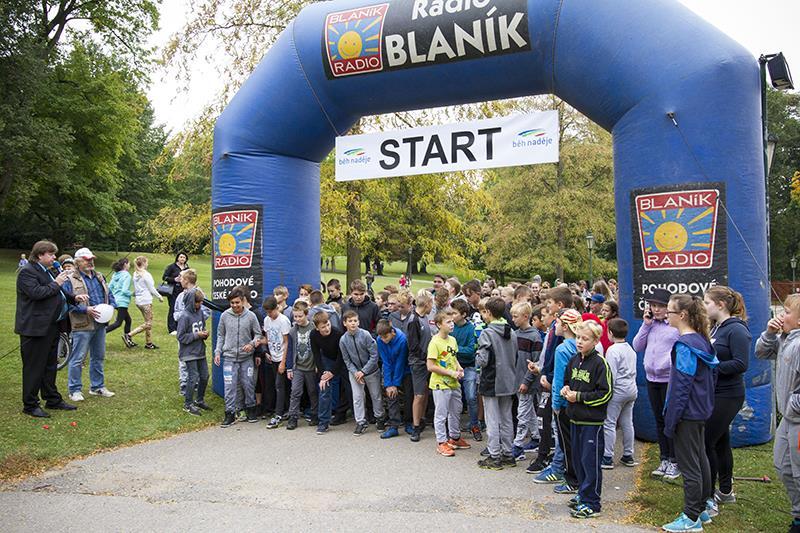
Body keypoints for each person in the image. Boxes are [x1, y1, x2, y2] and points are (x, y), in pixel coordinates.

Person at [661, 294, 719, 533]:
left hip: (687, 413)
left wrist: (671, 419)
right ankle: (703, 507)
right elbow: (712, 377)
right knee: (700, 457)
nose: (666, 316)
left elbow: (681, 387)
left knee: (689, 465)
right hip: (700, 410)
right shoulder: (702, 341)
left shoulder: (685, 345)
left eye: (670, 312)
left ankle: (691, 516)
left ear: (682, 315)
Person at [15, 240, 82, 417]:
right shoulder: (26, 272)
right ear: (40, 255)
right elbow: (37, 293)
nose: (54, 257)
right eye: (51, 254)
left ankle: (52, 398)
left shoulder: (47, 271)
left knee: (50, 365)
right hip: (35, 328)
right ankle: (30, 404)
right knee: (34, 367)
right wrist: (57, 282)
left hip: (52, 326)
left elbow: (58, 293)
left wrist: (74, 298)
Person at [703, 286, 750, 514]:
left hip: (729, 394)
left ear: (720, 305)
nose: (704, 306)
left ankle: (709, 496)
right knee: (720, 442)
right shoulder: (717, 327)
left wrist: (712, 367)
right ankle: (725, 490)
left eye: (707, 302)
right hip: (715, 391)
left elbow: (741, 364)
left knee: (707, 441)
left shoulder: (736, 330)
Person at [756, 293, 800, 533]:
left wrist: (793, 406)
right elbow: (761, 353)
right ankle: (798, 514)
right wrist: (770, 334)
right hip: (788, 420)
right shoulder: (785, 338)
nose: (781, 315)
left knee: (799, 471)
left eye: (787, 312)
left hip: (797, 420)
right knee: (783, 466)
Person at [561, 321, 612, 519]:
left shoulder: (600, 364)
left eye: (585, 339)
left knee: (590, 462)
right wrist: (566, 389)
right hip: (575, 419)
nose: (580, 342)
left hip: (592, 422)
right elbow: (568, 381)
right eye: (578, 338)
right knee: (579, 461)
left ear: (596, 341)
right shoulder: (574, 360)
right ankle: (583, 494)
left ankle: (593, 502)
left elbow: (605, 393)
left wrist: (579, 397)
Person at [632, 288, 681, 480]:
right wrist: (645, 325)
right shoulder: (650, 325)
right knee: (660, 421)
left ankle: (676, 460)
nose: (657, 309)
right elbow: (637, 346)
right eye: (653, 305)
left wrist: (668, 365)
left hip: (669, 379)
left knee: (671, 421)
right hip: (652, 379)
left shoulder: (675, 327)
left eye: (660, 306)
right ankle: (665, 458)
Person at [62, 247, 117, 401]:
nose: (90, 261)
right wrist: (85, 309)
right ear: (78, 262)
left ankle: (97, 387)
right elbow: (66, 303)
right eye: (87, 259)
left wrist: (111, 305)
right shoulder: (70, 279)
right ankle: (74, 390)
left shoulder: (99, 276)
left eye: (91, 258)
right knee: (78, 358)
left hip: (100, 323)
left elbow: (109, 294)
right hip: (82, 324)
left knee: (98, 356)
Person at [476, 296, 518, 470]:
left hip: (492, 380)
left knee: (492, 419)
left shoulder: (487, 333)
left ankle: (494, 455)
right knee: (507, 418)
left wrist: (476, 355)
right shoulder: (512, 332)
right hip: (509, 380)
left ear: (489, 313)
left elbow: (483, 360)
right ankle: (508, 453)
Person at [214, 288, 263, 427]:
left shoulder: (251, 316)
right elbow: (220, 335)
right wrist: (218, 352)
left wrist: (252, 345)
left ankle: (251, 410)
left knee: (248, 384)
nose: (235, 305)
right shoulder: (225, 316)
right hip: (229, 358)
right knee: (230, 386)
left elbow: (258, 334)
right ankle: (229, 413)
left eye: (237, 302)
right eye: (232, 303)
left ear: (243, 301)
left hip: (246, 358)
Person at [427, 311, 470, 457]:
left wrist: (458, 368)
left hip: (454, 382)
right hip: (441, 384)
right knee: (441, 414)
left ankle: (455, 437)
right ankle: (441, 442)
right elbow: (431, 366)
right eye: (448, 322)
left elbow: (453, 357)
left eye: (452, 321)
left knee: (455, 410)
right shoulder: (435, 342)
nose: (452, 324)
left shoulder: (452, 340)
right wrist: (451, 373)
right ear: (439, 325)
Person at [549, 309, 582, 494]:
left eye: (557, 322)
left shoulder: (562, 349)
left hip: (564, 403)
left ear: (565, 326)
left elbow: (559, 380)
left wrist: (556, 404)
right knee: (576, 442)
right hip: (577, 401)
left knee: (566, 443)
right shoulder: (579, 346)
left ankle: (571, 479)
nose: (554, 326)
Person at [340, 310, 384, 436]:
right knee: (358, 397)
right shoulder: (343, 340)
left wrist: (364, 371)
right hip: (355, 373)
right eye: (350, 321)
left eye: (355, 321)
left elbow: (374, 355)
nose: (353, 323)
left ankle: (379, 417)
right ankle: (360, 421)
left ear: (358, 322)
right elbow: (347, 360)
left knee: (376, 395)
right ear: (345, 323)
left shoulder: (365, 335)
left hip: (370, 371)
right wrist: (356, 373)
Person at [601, 318, 638, 469]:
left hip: (618, 391)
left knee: (609, 422)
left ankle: (608, 456)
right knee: (627, 422)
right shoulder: (630, 349)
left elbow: (611, 375)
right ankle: (628, 454)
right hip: (631, 389)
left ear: (610, 332)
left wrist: (606, 392)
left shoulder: (612, 350)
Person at [172, 269, 211, 395]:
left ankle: (196, 384)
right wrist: (183, 318)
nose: (180, 281)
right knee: (184, 360)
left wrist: (196, 320)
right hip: (185, 332)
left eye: (181, 278)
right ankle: (184, 384)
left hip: (196, 333)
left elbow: (206, 311)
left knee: (198, 360)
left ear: (187, 280)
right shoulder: (180, 296)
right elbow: (176, 313)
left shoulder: (200, 294)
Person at [376, 319, 413, 439]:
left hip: (405, 370)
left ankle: (408, 423)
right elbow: (385, 362)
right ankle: (394, 426)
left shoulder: (402, 339)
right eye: (381, 337)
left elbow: (400, 363)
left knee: (408, 397)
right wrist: (389, 384)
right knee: (391, 395)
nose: (383, 340)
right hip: (390, 369)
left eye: (385, 337)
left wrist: (395, 384)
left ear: (392, 332)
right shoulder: (379, 340)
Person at [176, 289, 211, 416]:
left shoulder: (200, 312)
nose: (200, 304)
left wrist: (205, 333)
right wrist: (197, 335)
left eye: (201, 302)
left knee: (205, 375)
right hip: (189, 352)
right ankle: (188, 404)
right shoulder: (184, 316)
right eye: (197, 302)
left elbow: (201, 328)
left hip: (200, 350)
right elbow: (180, 337)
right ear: (191, 302)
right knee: (193, 377)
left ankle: (199, 399)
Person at [285, 301, 319, 430]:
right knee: (295, 392)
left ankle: (315, 414)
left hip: (311, 367)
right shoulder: (293, 331)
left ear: (306, 315)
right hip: (298, 367)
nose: (298, 319)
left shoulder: (313, 328)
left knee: (312, 392)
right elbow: (290, 349)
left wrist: (318, 364)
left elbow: (318, 348)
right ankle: (293, 416)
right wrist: (289, 367)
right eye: (295, 316)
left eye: (300, 316)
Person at [451, 299, 481, 441]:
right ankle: (453, 428)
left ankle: (475, 424)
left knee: (471, 397)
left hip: (469, 366)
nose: (452, 316)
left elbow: (471, 350)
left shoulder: (471, 329)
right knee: (453, 399)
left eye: (454, 313)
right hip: (452, 367)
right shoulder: (451, 327)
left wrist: (454, 349)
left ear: (463, 314)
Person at [406, 290, 434, 442]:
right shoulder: (414, 320)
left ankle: (422, 419)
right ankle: (415, 426)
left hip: (427, 361)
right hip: (419, 363)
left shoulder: (425, 318)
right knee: (419, 394)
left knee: (425, 392)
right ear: (427, 303)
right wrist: (427, 357)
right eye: (432, 303)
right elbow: (413, 346)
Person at [311, 311, 345, 434]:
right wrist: (323, 374)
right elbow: (316, 355)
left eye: (328, 324)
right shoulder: (313, 335)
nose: (327, 328)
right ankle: (323, 422)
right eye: (323, 327)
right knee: (324, 388)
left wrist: (332, 372)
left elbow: (341, 357)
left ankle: (342, 413)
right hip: (326, 360)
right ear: (317, 328)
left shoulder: (338, 334)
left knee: (344, 388)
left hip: (341, 360)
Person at [263, 296, 292, 429]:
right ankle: (287, 409)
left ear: (276, 308)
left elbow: (286, 342)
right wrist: (266, 350)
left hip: (281, 357)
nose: (269, 314)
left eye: (271, 312)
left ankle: (278, 414)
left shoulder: (283, 321)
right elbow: (268, 338)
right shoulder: (267, 320)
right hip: (273, 357)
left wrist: (283, 362)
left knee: (279, 385)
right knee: (281, 385)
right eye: (267, 312)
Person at [126, 256, 163, 350]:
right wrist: (159, 296)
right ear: (143, 263)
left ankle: (149, 343)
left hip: (138, 301)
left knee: (148, 321)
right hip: (146, 301)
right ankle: (129, 335)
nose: (148, 264)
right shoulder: (146, 274)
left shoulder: (135, 274)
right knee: (148, 323)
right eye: (147, 262)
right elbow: (151, 288)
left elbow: (136, 287)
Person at [162, 252, 189, 334]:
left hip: (183, 291)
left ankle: (179, 327)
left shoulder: (187, 268)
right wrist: (174, 279)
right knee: (173, 308)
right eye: (181, 257)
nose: (182, 259)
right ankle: (172, 328)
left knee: (182, 308)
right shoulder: (172, 267)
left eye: (184, 257)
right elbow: (164, 277)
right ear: (177, 258)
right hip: (173, 291)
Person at [106, 258, 132, 339]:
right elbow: (124, 290)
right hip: (122, 301)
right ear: (125, 264)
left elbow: (109, 287)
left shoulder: (115, 274)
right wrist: (133, 293)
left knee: (128, 320)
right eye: (129, 264)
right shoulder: (127, 275)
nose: (129, 266)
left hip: (114, 300)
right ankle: (100, 333)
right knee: (118, 323)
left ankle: (128, 339)